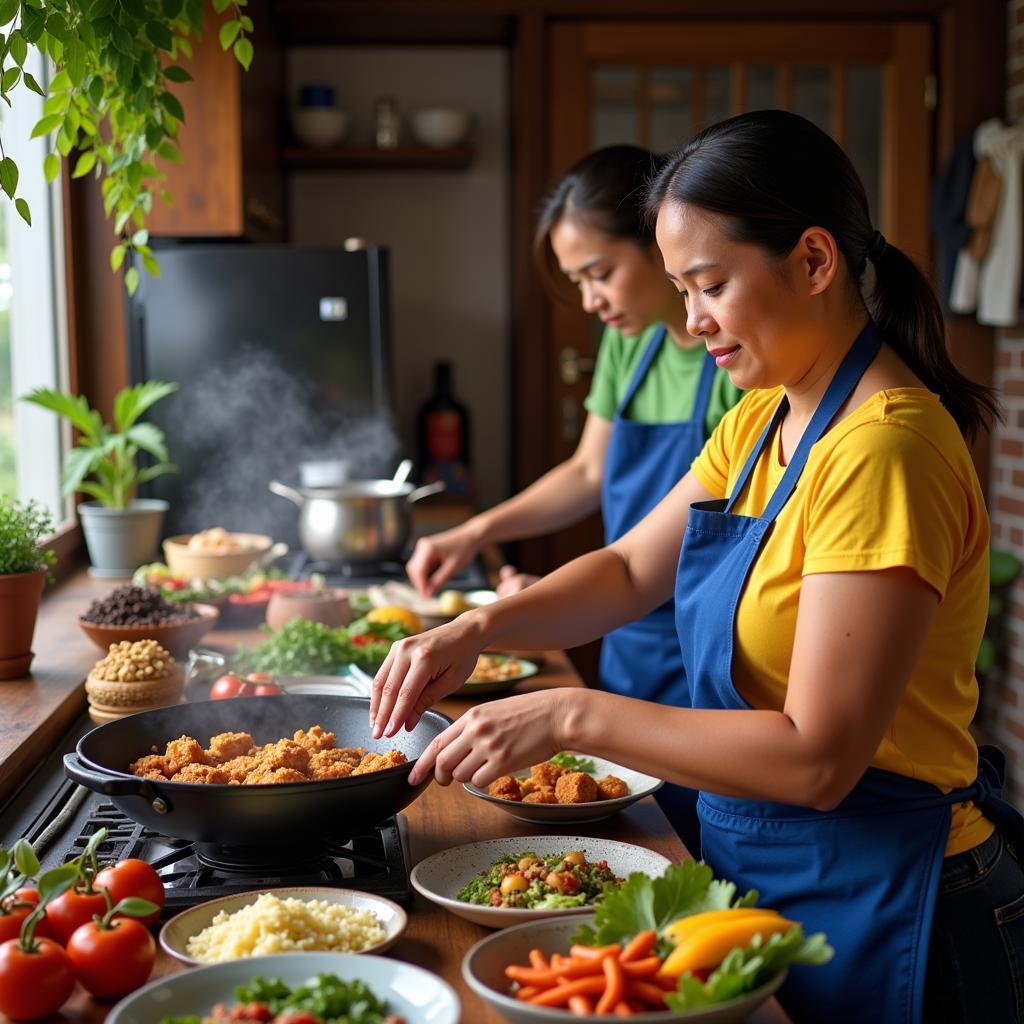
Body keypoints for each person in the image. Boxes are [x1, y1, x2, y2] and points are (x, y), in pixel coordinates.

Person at [372, 110, 1024, 1024]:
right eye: (680, 288)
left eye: (709, 284)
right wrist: (475, 627)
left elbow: (820, 758)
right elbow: (630, 569)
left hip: (894, 895)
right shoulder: (762, 420)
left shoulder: (886, 450)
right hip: (765, 870)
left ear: (812, 260)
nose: (691, 321)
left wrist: (572, 711)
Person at [407, 148, 741, 852]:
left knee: (692, 841)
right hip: (627, 632)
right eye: (577, 280)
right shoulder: (632, 347)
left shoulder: (745, 369)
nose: (590, 299)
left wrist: (509, 616)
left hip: (702, 640)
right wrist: (478, 534)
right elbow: (591, 476)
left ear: (658, 241)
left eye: (600, 273)